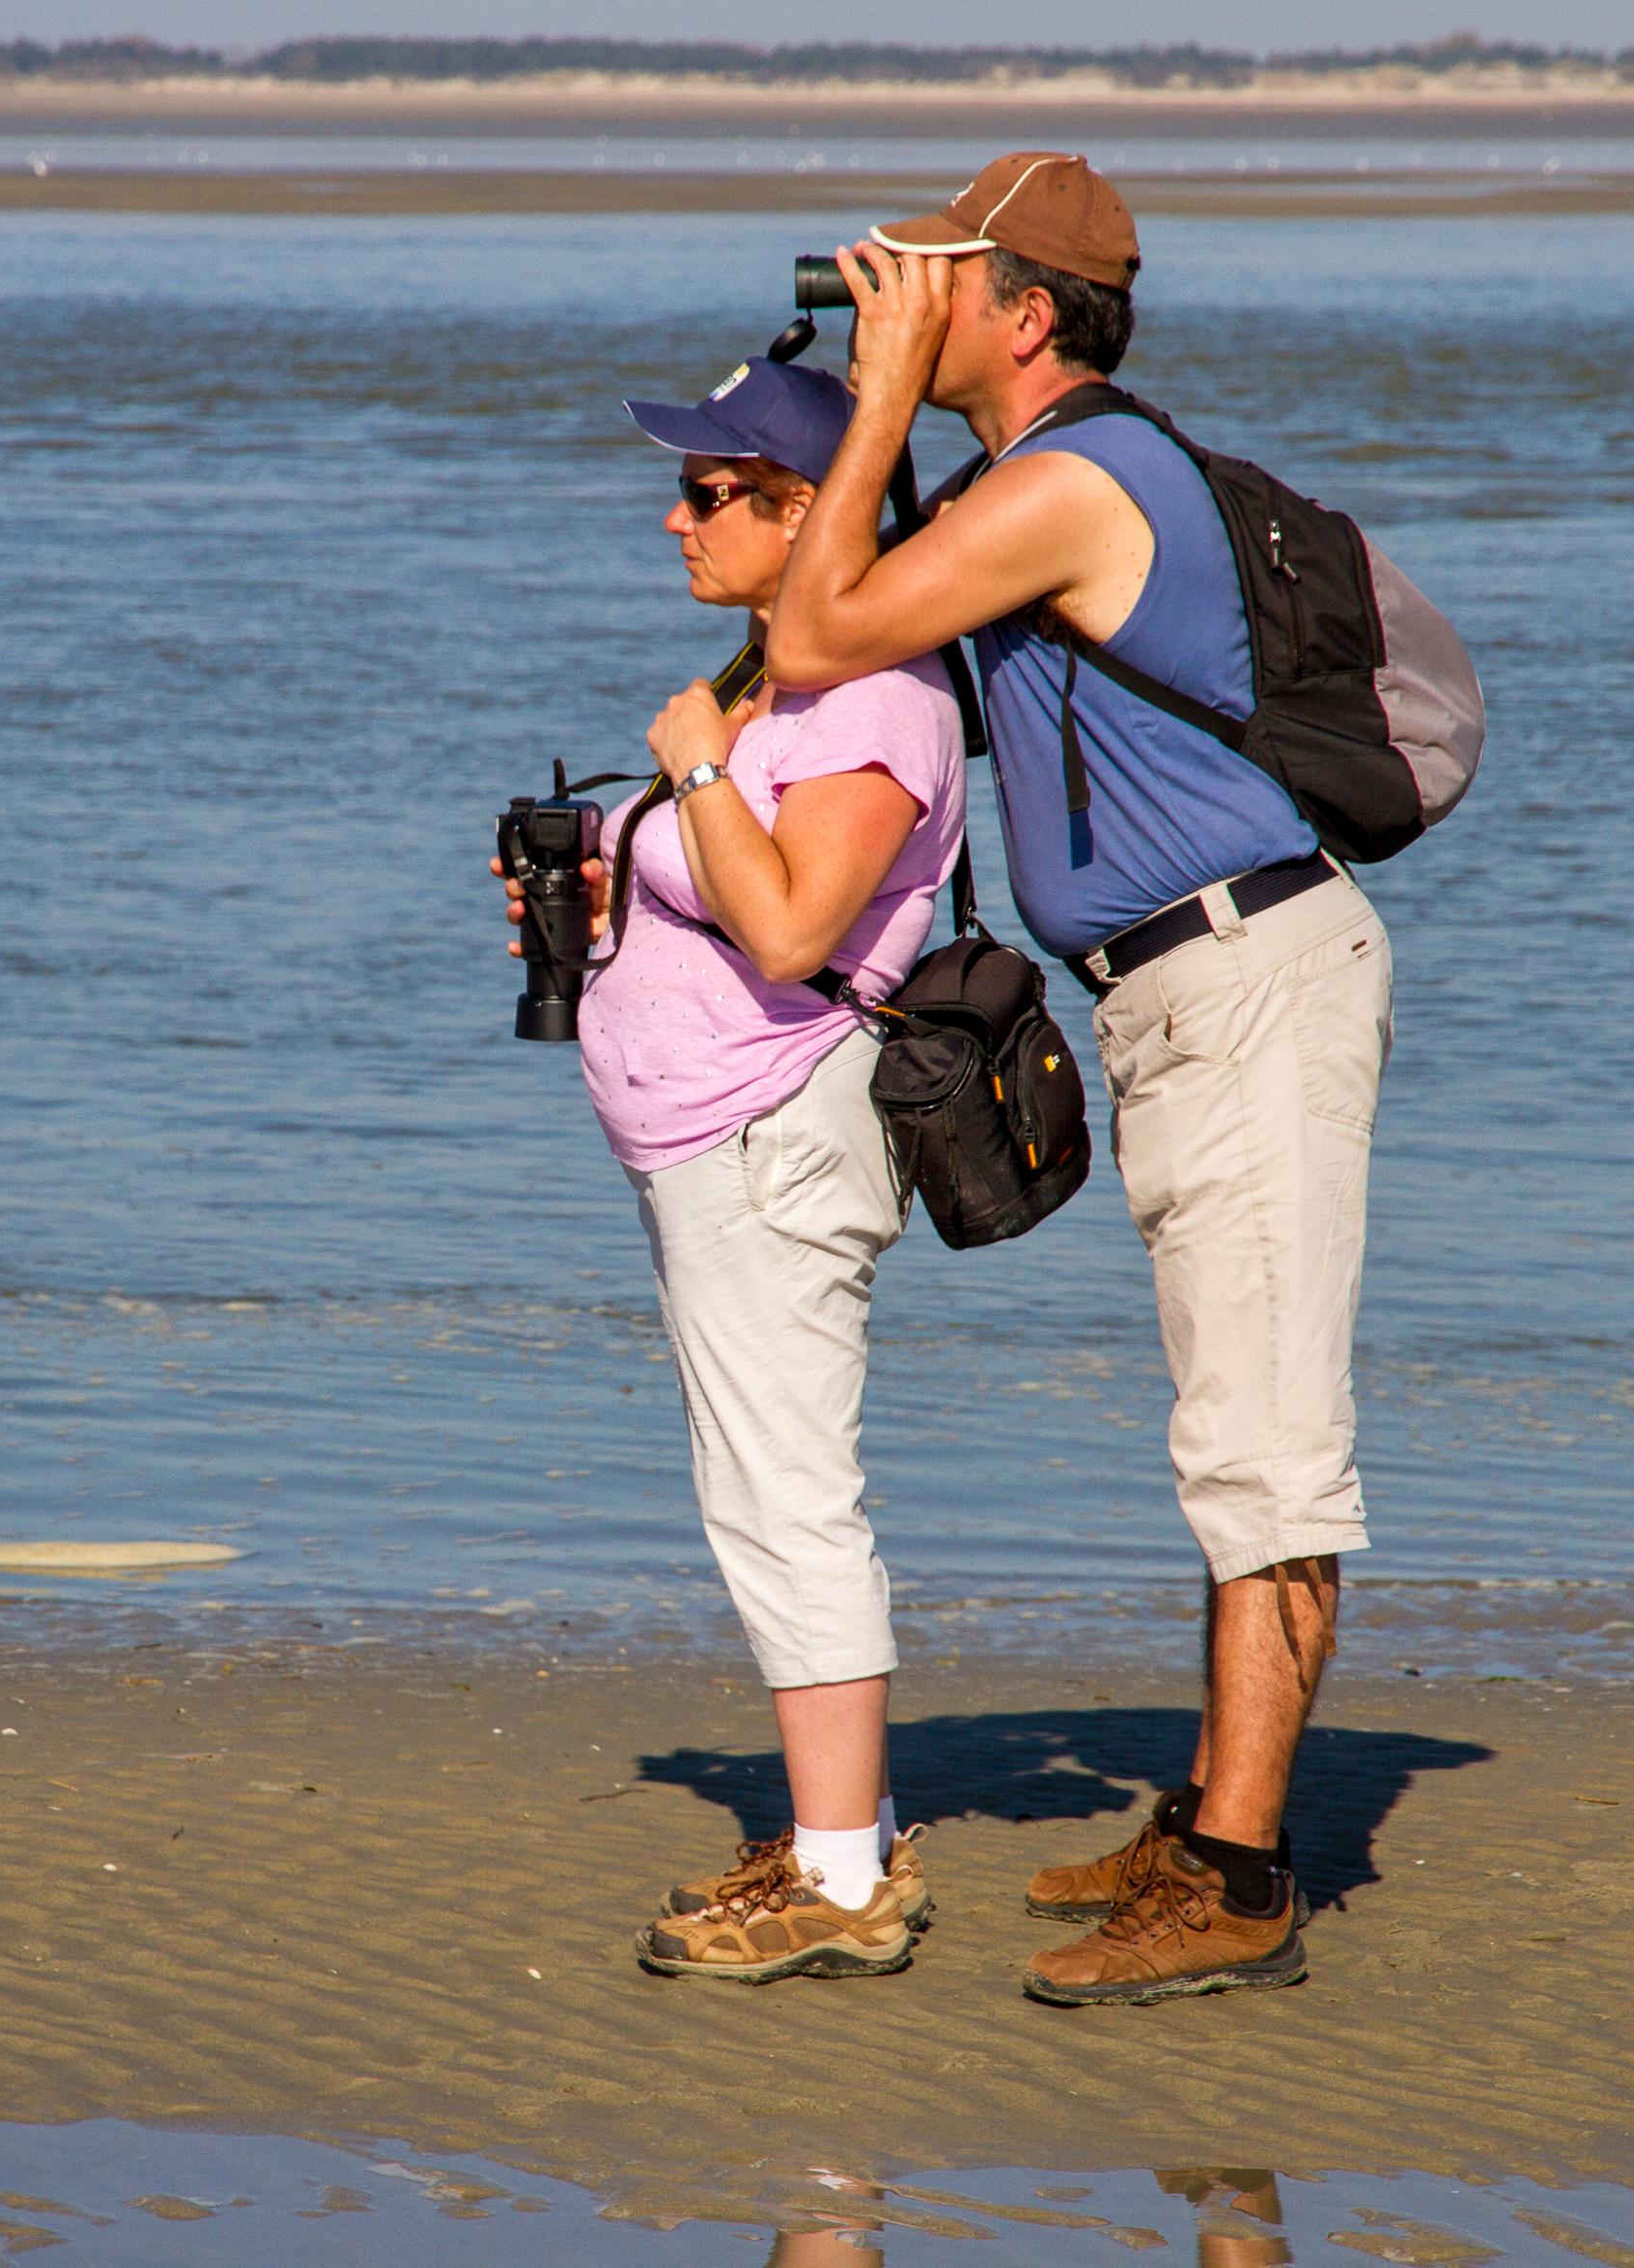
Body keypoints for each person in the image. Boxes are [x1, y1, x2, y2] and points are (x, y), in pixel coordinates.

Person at [767, 152, 1396, 2006]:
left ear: (1025, 313)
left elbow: (820, 631)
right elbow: (830, 654)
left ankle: (1243, 1875)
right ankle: (1209, 1797)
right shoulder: (1018, 485)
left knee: (1263, 1447)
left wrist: (872, 394)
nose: (909, 293)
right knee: (1228, 1416)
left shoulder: (1072, 483)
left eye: (941, 277)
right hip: (1183, 990)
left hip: (1248, 976)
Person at [499, 355, 965, 1982]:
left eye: (713, 493)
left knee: (786, 1496)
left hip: (777, 1142)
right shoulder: (775, 687)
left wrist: (691, 763)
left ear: (810, 513)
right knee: (751, 1490)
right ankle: (840, 1826)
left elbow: (790, 924)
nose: (677, 516)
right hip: (715, 1142)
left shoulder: (879, 695)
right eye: (685, 487)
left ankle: (847, 1876)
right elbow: (726, 895)